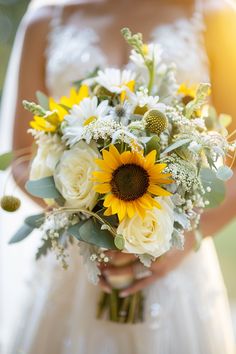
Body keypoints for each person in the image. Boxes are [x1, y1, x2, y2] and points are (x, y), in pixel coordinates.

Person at [1, 0, 236, 353]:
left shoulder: (214, 17)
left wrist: (179, 243)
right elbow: (21, 156)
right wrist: (82, 219)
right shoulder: (45, 19)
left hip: (174, 257)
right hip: (75, 256)